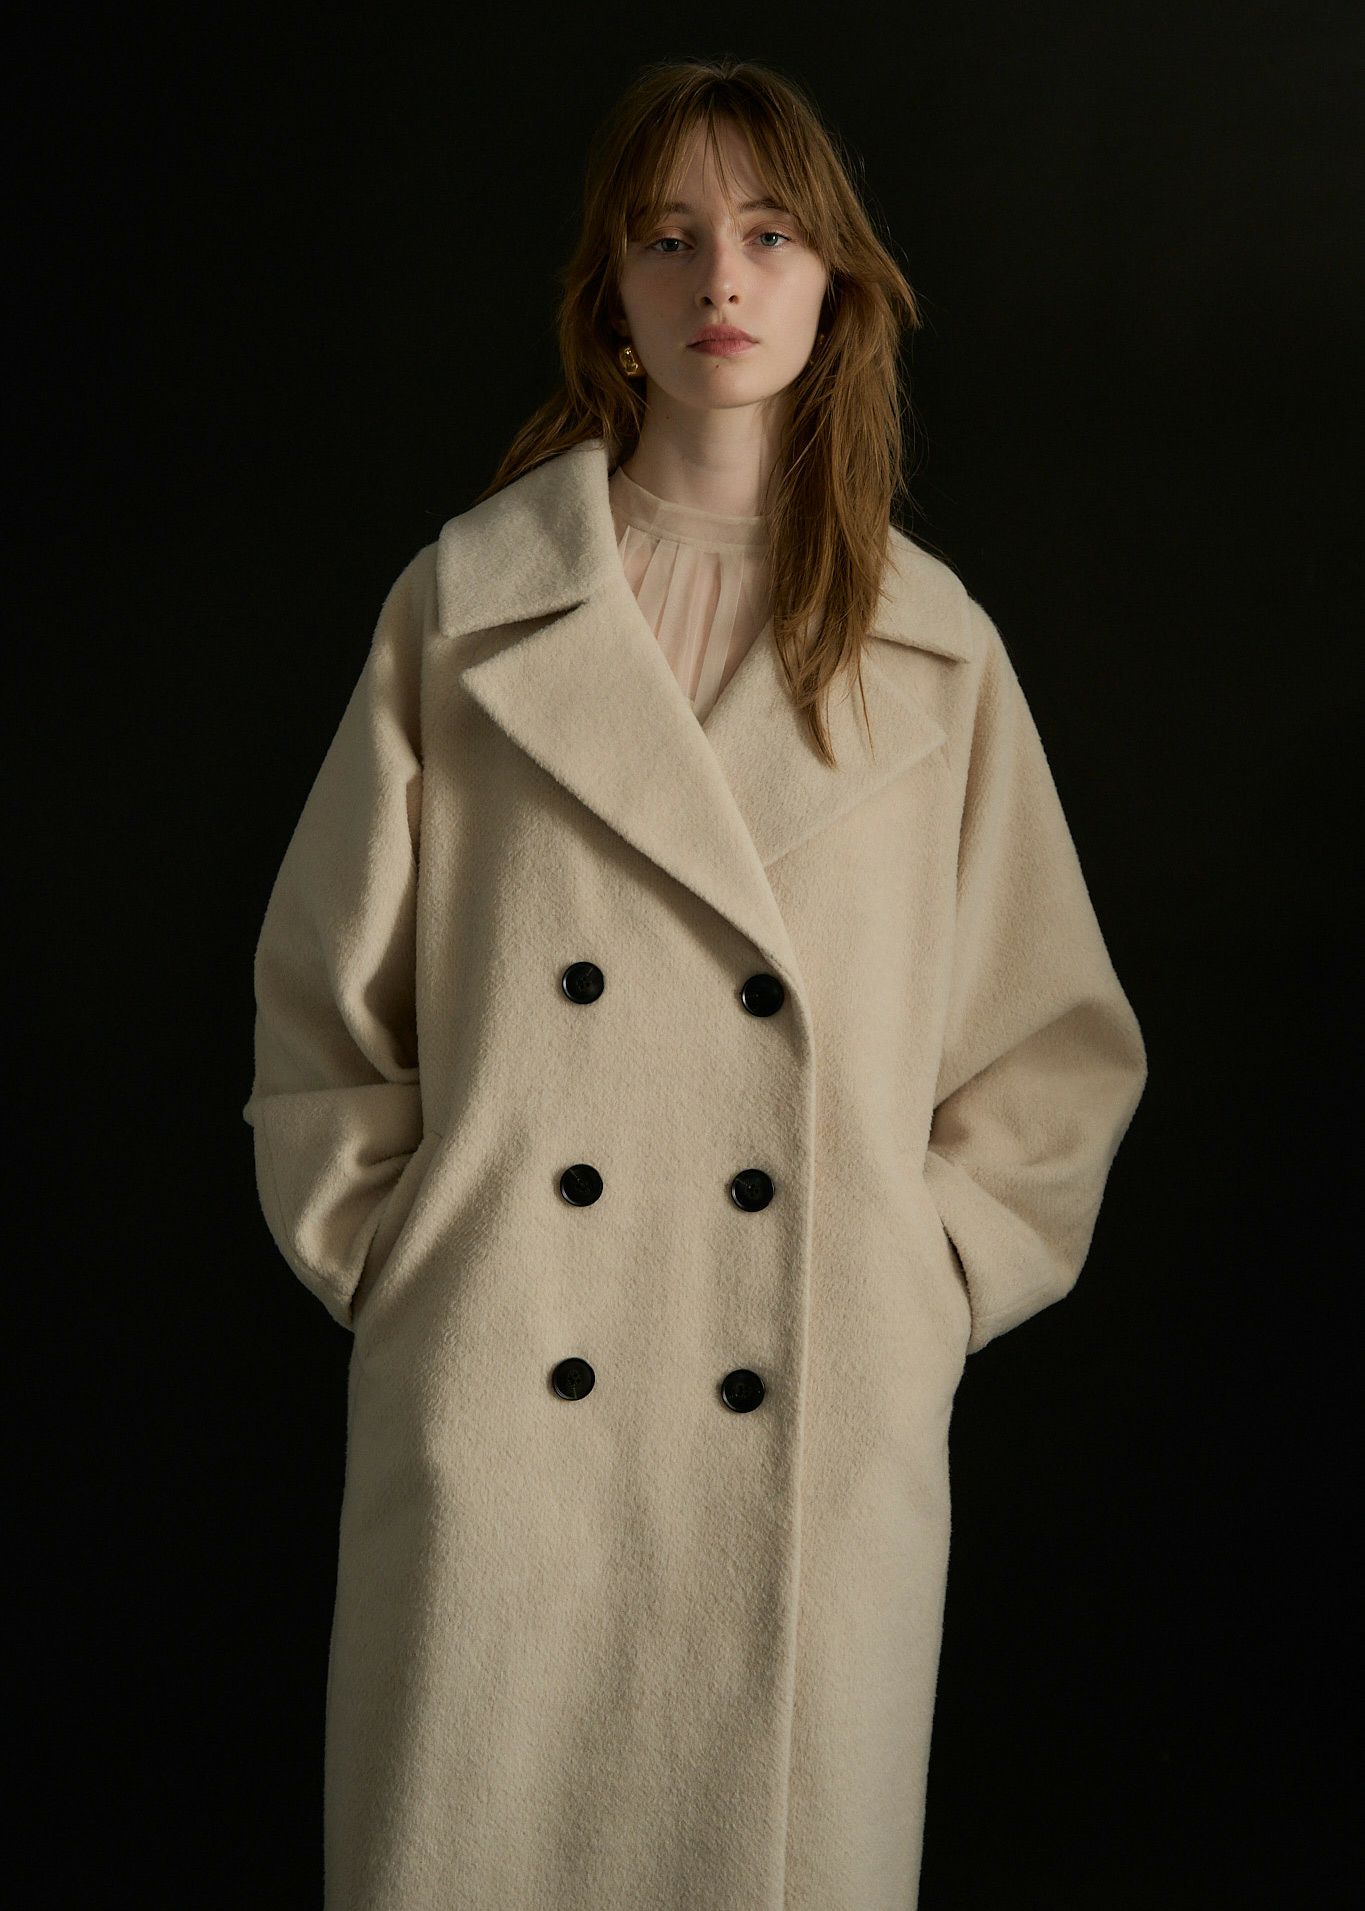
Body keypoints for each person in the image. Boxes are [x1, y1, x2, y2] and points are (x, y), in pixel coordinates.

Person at [242, 55, 1148, 1911]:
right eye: (666, 238)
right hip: (513, 1392)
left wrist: (915, 1281)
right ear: (609, 294)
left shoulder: (929, 645)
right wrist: (409, 1270)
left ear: (834, 290)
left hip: (807, 1397)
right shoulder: (466, 608)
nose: (718, 278)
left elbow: (1051, 1045)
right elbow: (323, 999)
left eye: (769, 233)